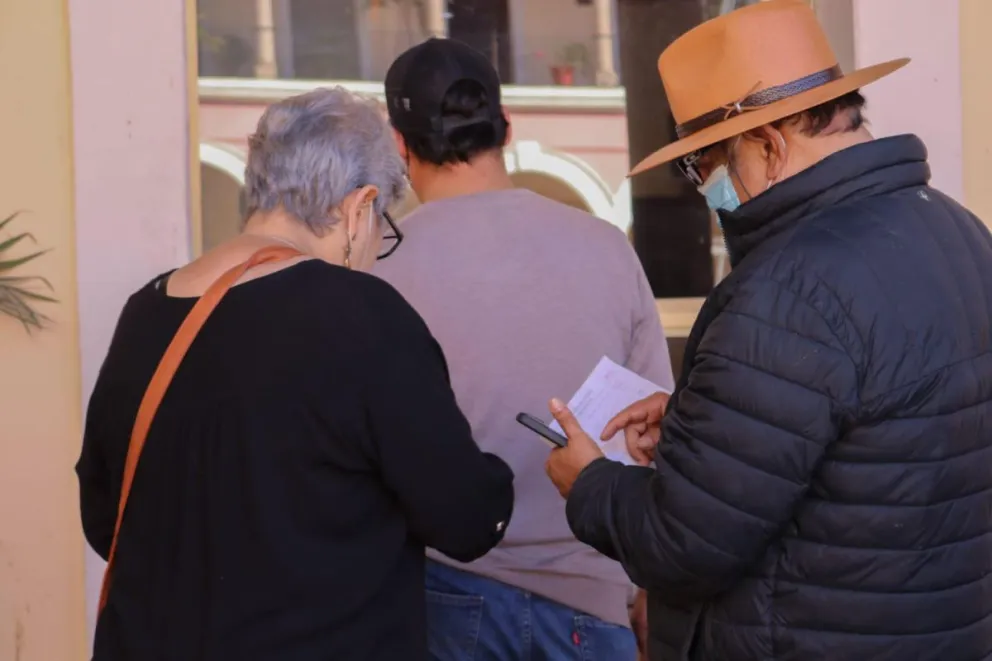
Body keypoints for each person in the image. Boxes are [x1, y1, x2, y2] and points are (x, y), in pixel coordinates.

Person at [544, 2, 992, 660]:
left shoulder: (787, 288)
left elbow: (683, 543)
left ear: (770, 145)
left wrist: (589, 484)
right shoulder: (960, 231)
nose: (707, 189)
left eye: (704, 165)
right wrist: (706, 423)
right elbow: (887, 429)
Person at [75, 86, 515, 661]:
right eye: (383, 224)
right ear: (359, 208)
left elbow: (104, 515)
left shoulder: (148, 309)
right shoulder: (361, 315)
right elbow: (464, 517)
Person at [374, 38, 673, 660]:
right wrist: (648, 587)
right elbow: (654, 433)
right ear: (505, 127)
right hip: (596, 598)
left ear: (400, 146)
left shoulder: (380, 266)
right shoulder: (607, 247)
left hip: (442, 596)